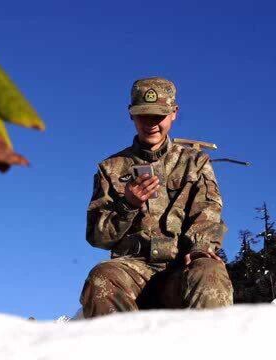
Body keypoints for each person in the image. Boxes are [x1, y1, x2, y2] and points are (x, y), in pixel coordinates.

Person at [80, 77, 233, 318]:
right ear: (131, 114)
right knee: (102, 277)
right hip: (132, 270)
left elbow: (208, 213)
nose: (150, 124)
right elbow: (97, 237)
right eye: (143, 115)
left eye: (158, 116)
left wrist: (200, 249)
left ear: (174, 113)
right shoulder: (110, 168)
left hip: (182, 266)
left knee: (209, 271)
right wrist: (127, 205)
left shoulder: (194, 162)